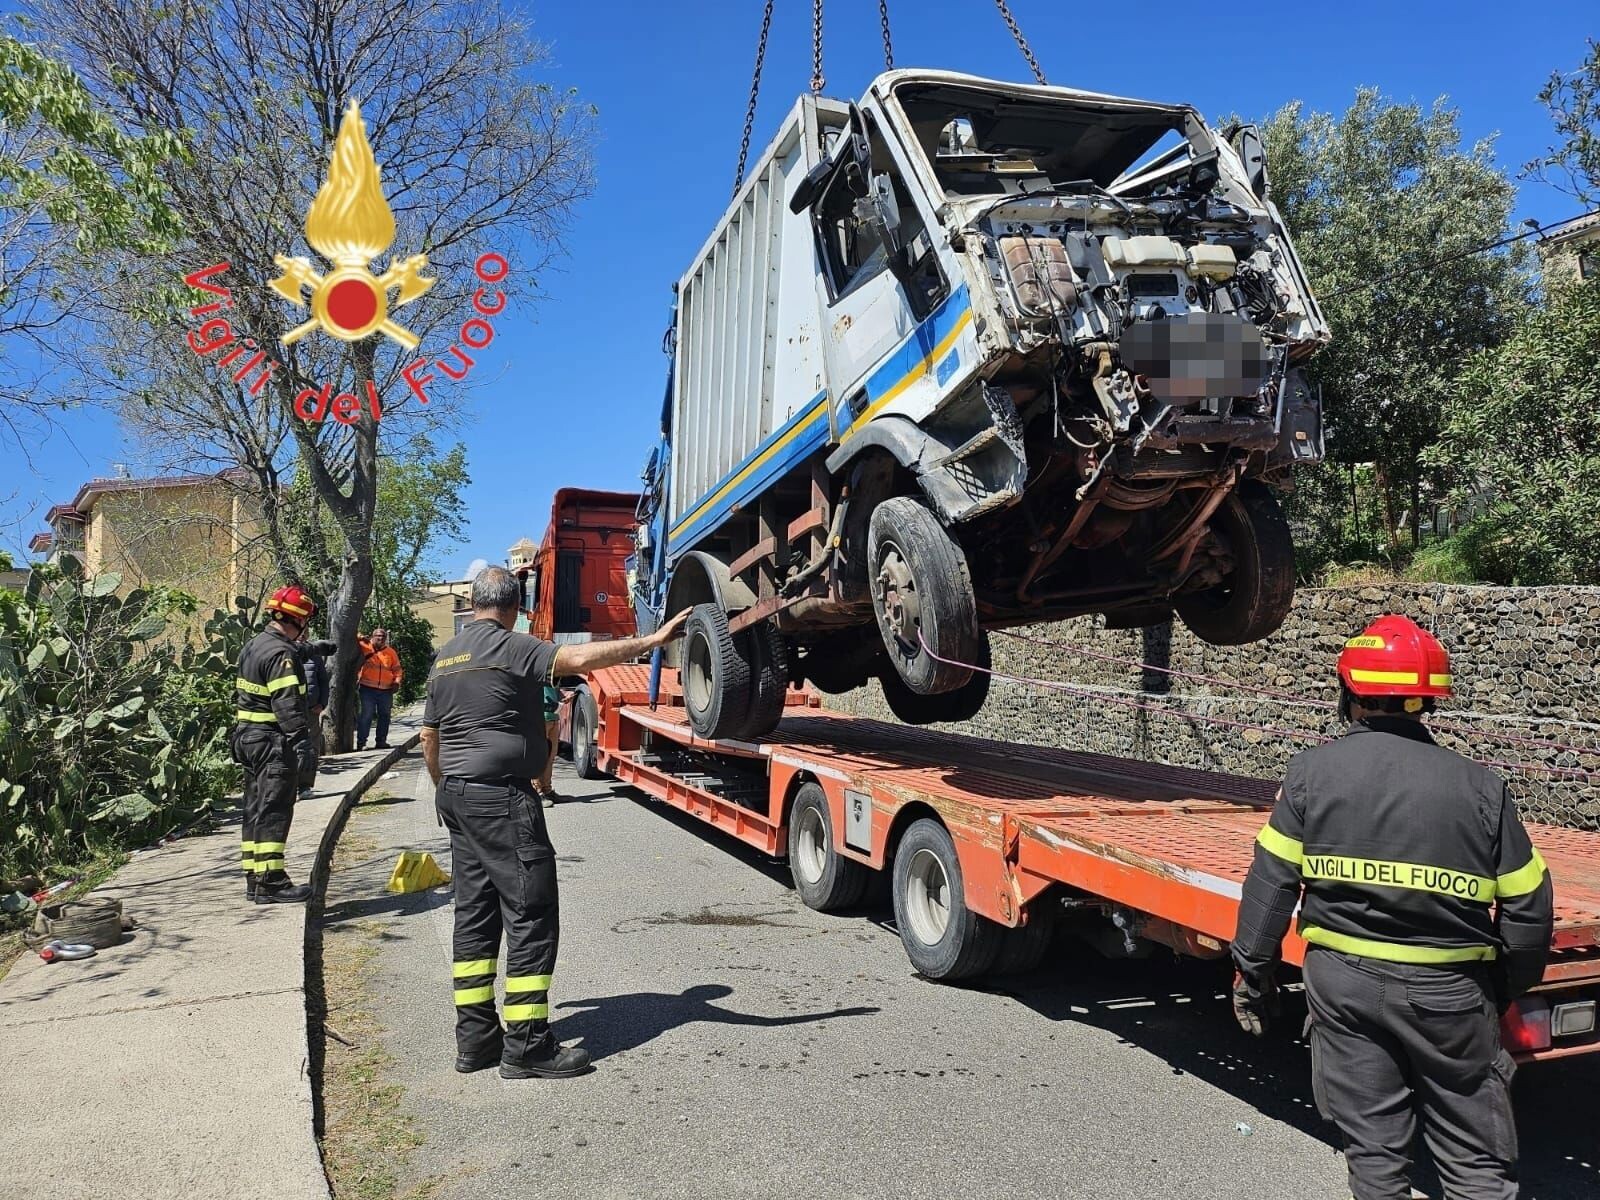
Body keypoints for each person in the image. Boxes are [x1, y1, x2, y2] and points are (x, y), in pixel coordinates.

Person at [1231, 615, 1554, 1200]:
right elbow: (1528, 906)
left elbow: (1270, 886)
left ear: (1350, 691)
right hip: (1451, 991)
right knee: (1475, 1165)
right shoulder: (1482, 787)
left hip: (1344, 985)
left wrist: (1251, 975)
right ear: (1427, 700)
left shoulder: (1309, 775)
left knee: (1376, 1156)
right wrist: (1505, 986)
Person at [419, 566, 688, 1079]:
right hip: (501, 798)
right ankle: (527, 1047)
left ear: (474, 603)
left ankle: (476, 1041)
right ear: (515, 607)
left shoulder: (445, 659)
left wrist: (445, 790)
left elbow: (430, 738)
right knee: (530, 913)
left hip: (457, 795)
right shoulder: (509, 645)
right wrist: (653, 639)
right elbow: (581, 657)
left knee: (474, 917)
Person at [231, 585, 320, 904]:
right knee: (275, 809)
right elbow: (288, 705)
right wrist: (303, 744)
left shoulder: (255, 645)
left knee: (255, 807)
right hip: (272, 741)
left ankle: (255, 879)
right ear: (298, 621)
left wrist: (312, 650)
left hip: (247, 737)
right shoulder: (282, 655)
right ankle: (272, 880)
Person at [295, 627, 336, 794]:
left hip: (311, 710)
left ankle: (305, 786)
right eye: (300, 632)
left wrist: (322, 703)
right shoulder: (284, 653)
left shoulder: (315, 655)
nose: (303, 635)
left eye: (305, 633)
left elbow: (323, 681)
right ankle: (289, 784)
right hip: (290, 710)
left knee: (311, 747)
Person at [356, 627, 403, 750]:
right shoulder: (365, 646)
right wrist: (361, 636)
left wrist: (397, 682)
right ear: (373, 636)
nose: (380, 638)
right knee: (367, 715)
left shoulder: (391, 652)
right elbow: (353, 636)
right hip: (367, 688)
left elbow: (397, 669)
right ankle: (362, 743)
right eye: (378, 636)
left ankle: (381, 741)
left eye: (383, 636)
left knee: (385, 715)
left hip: (386, 690)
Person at [534, 682, 562, 806]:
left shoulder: (552, 675)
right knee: (539, 757)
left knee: (550, 757)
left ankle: (547, 790)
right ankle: (537, 792)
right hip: (541, 717)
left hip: (553, 717)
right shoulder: (537, 671)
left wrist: (561, 698)